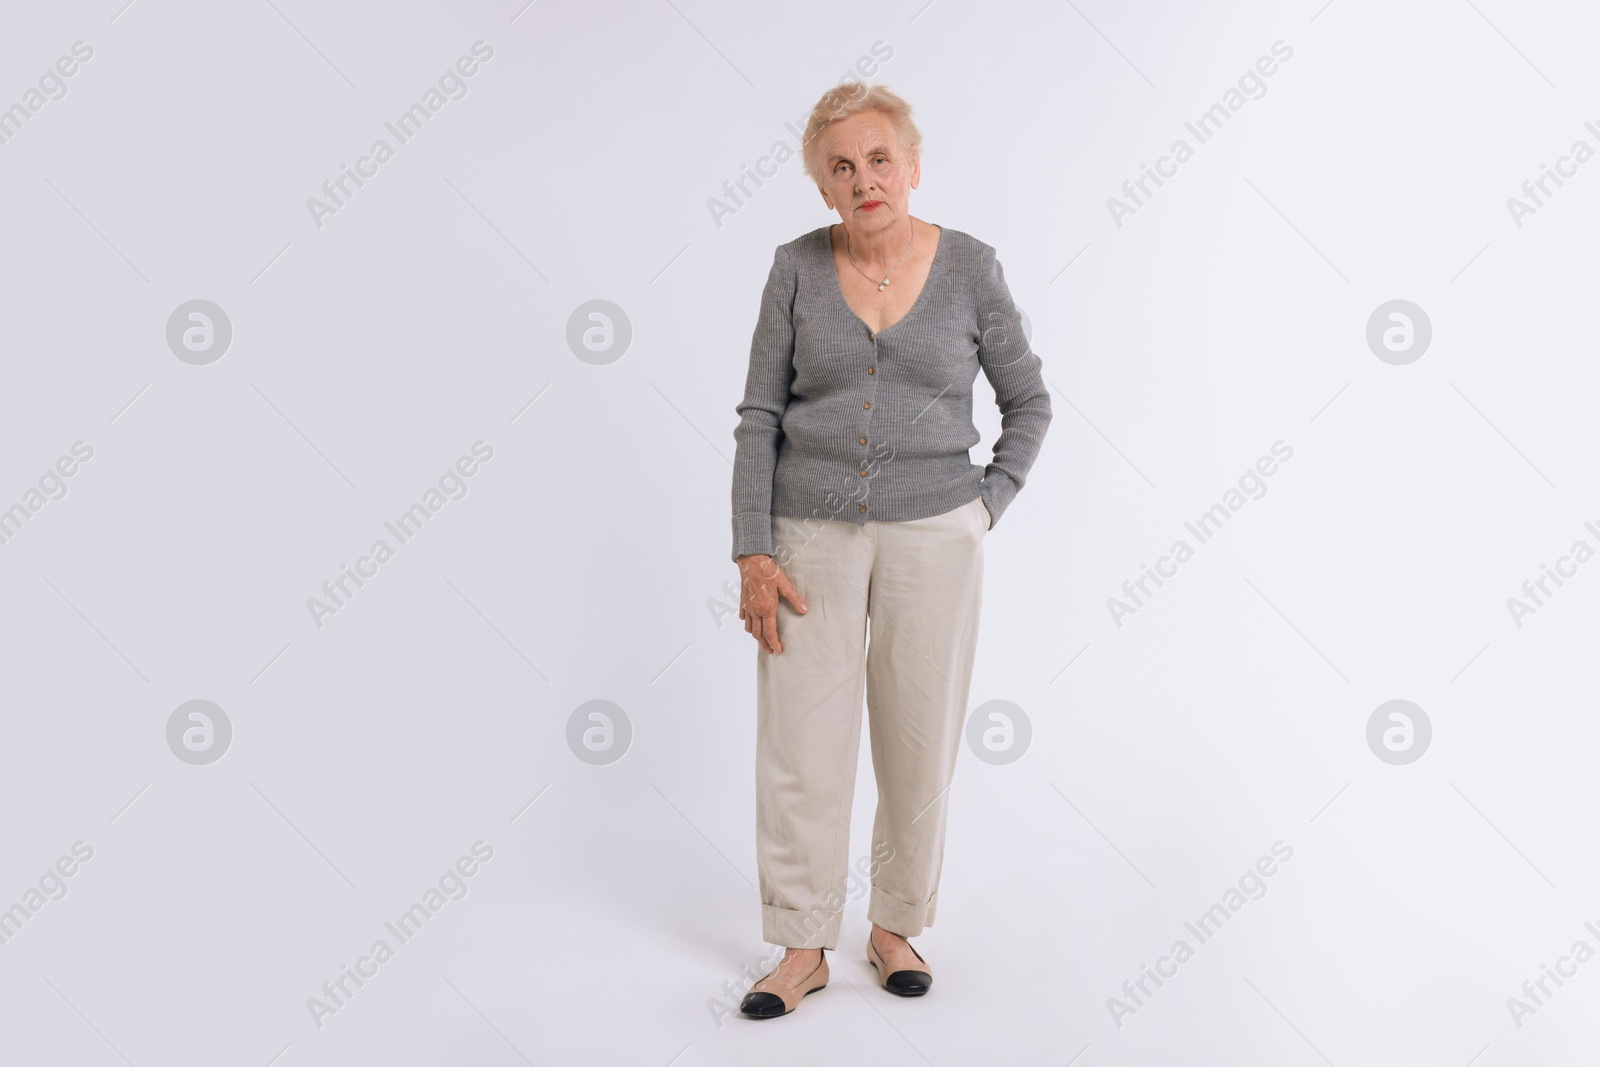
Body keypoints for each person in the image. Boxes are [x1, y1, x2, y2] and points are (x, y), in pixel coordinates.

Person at [729, 82, 1052, 1018]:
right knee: (801, 742)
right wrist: (753, 550)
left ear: (911, 168)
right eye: (841, 166)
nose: (863, 178)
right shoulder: (793, 269)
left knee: (919, 735)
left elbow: (1028, 402)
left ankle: (896, 924)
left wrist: (981, 509)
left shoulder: (971, 269)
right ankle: (800, 943)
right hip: (807, 539)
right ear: (825, 190)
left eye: (878, 159)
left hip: (936, 535)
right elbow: (758, 418)